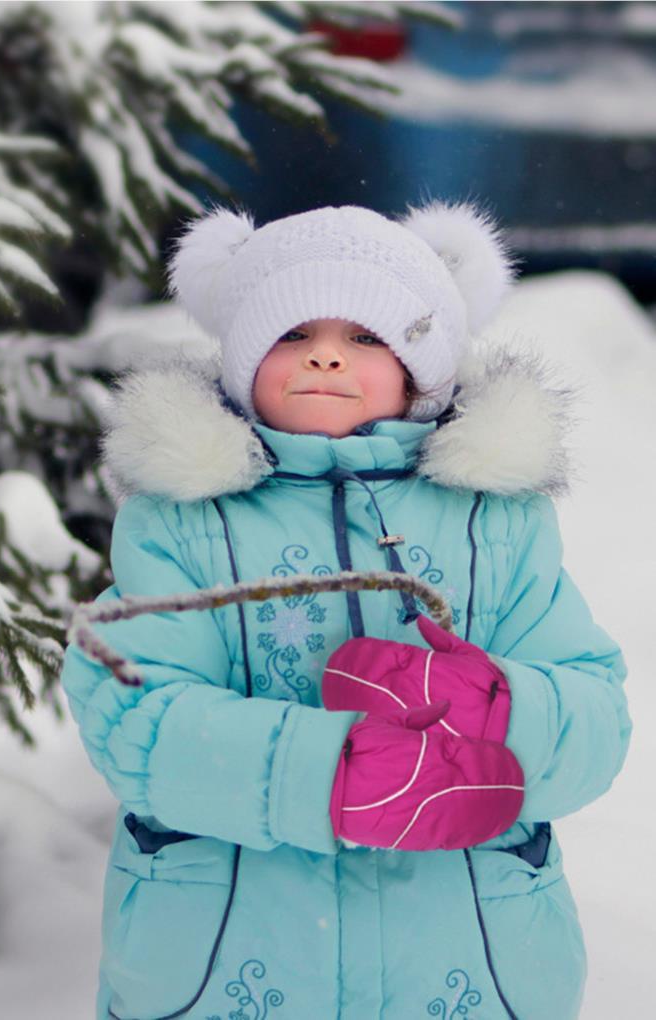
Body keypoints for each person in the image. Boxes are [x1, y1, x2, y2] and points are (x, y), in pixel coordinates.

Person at [59, 202, 631, 1020]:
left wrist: (506, 715)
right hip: (231, 964)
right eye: (292, 334)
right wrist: (322, 774)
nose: (325, 356)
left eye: (365, 337)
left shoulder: (492, 521)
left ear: (420, 368)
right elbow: (136, 710)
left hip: (463, 963)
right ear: (243, 359)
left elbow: (593, 716)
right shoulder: (183, 518)